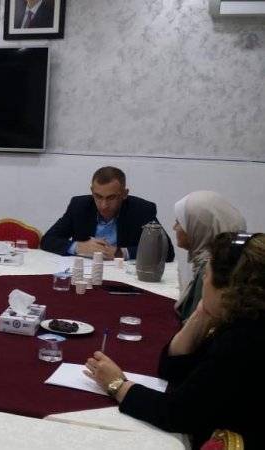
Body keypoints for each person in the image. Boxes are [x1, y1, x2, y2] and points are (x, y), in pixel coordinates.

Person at [84, 232, 265, 448]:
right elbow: (171, 369)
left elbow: (178, 413)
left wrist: (117, 385)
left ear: (228, 288)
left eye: (206, 275)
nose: (203, 281)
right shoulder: (241, 320)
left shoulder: (243, 341)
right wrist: (202, 313)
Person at [40, 166, 174, 261]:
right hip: (85, 273)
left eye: (111, 198)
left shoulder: (141, 210)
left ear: (124, 194)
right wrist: (80, 247)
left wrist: (120, 253)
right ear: (92, 191)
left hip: (123, 277)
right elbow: (47, 240)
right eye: (98, 196)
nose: (103, 205)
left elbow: (166, 251)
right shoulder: (79, 206)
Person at [173, 191, 246, 320]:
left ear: (197, 227)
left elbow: (198, 323)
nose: (174, 227)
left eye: (179, 222)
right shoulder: (217, 260)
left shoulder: (212, 270)